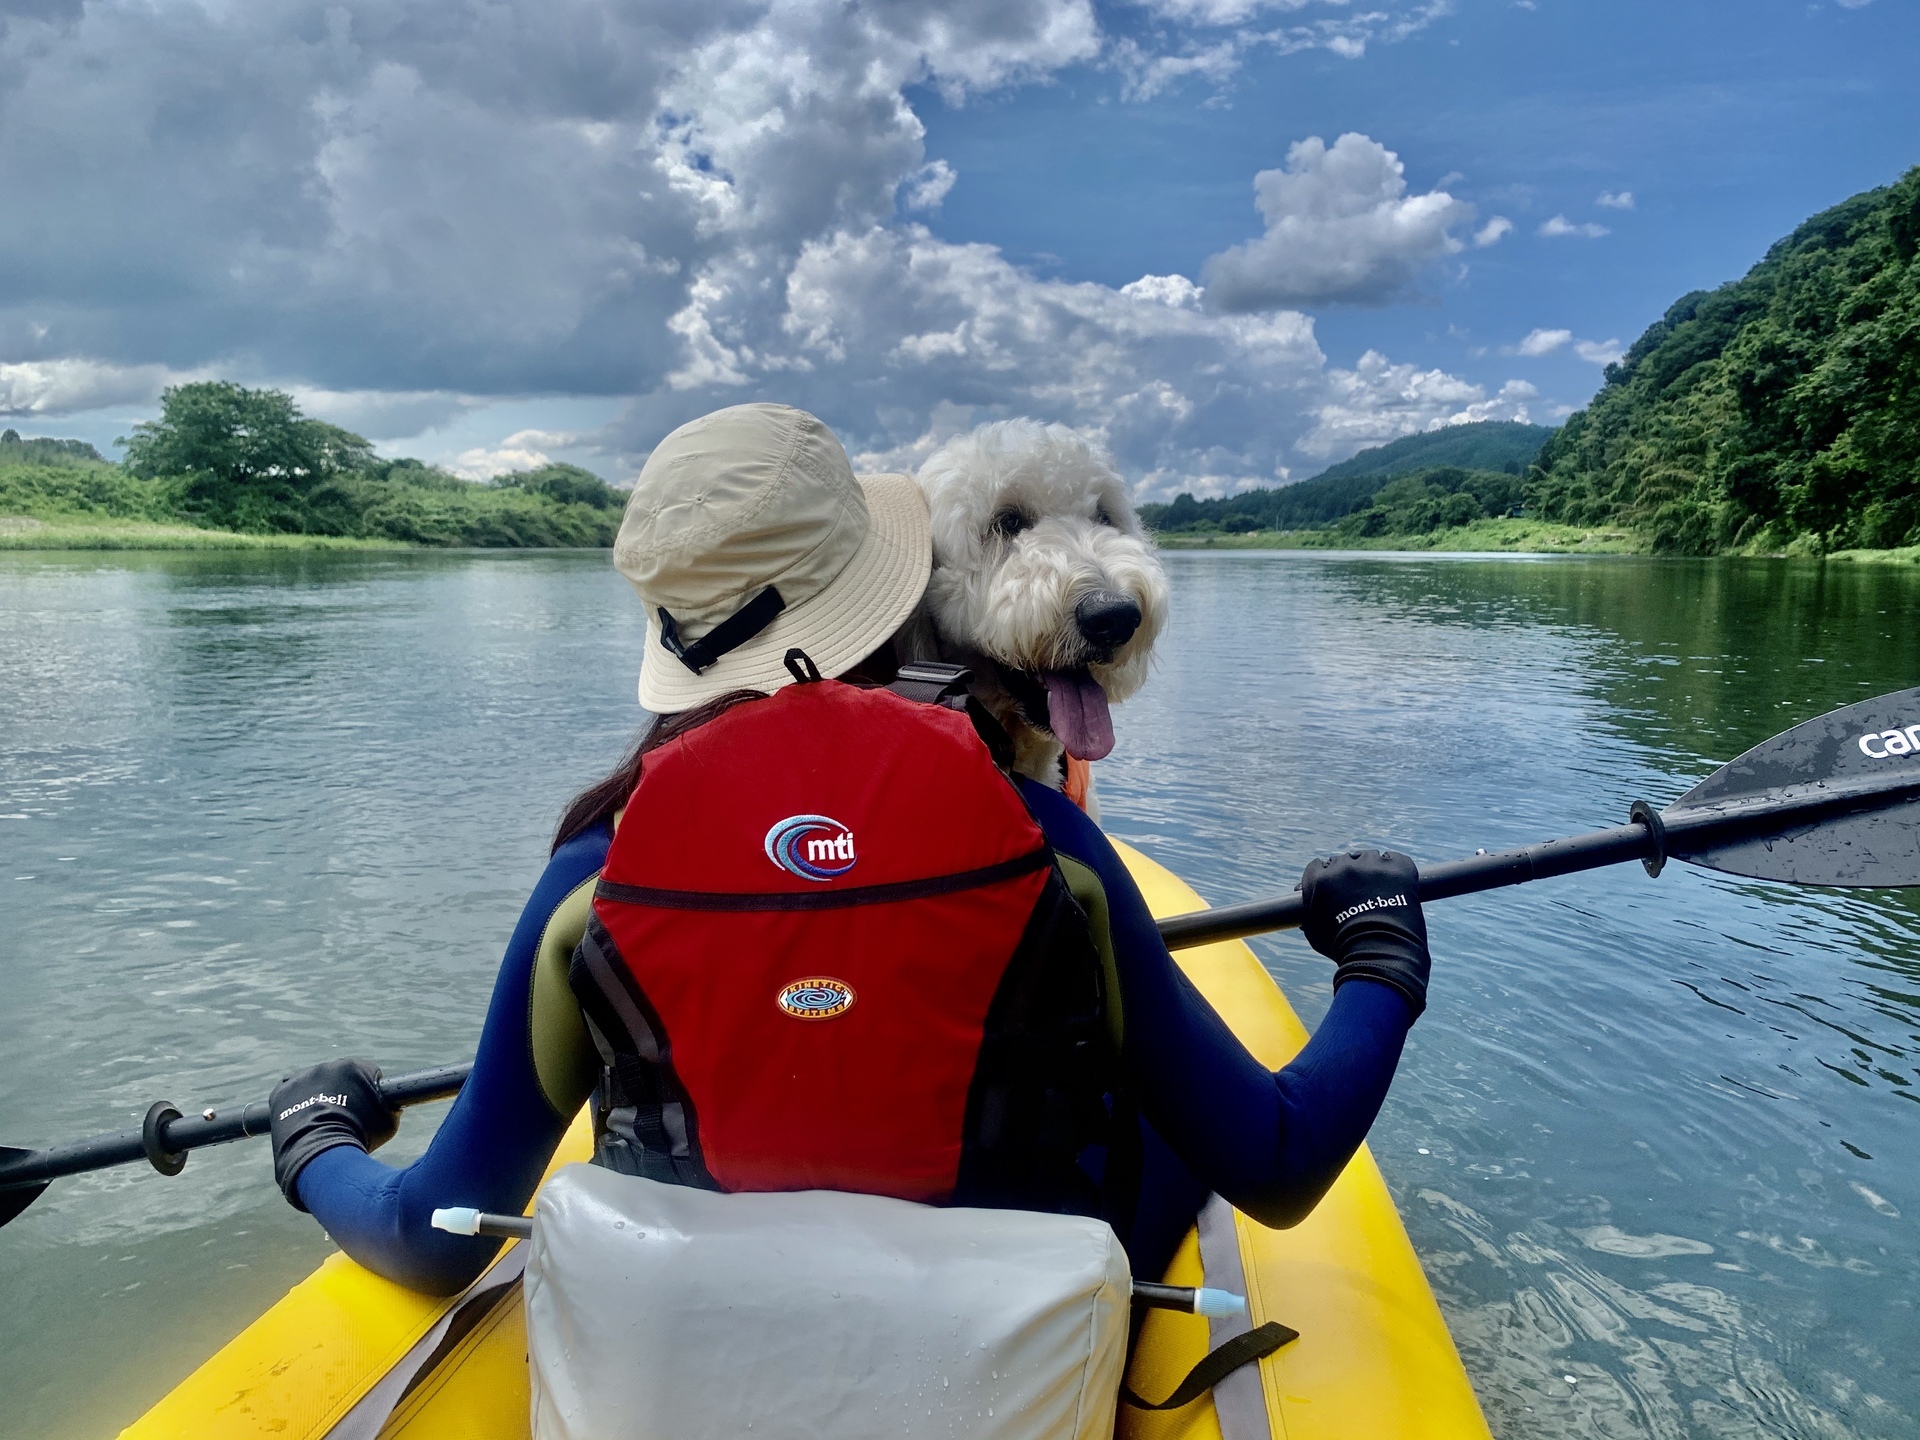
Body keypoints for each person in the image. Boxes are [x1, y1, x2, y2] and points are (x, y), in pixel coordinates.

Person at [269, 402, 1433, 1297]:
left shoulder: (592, 872)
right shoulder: (1051, 847)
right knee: (1156, 1106)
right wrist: (1381, 960)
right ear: (898, 594)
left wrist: (316, 1139)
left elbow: (433, 1238)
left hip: (690, 1338)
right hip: (999, 1334)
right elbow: (1280, 1166)